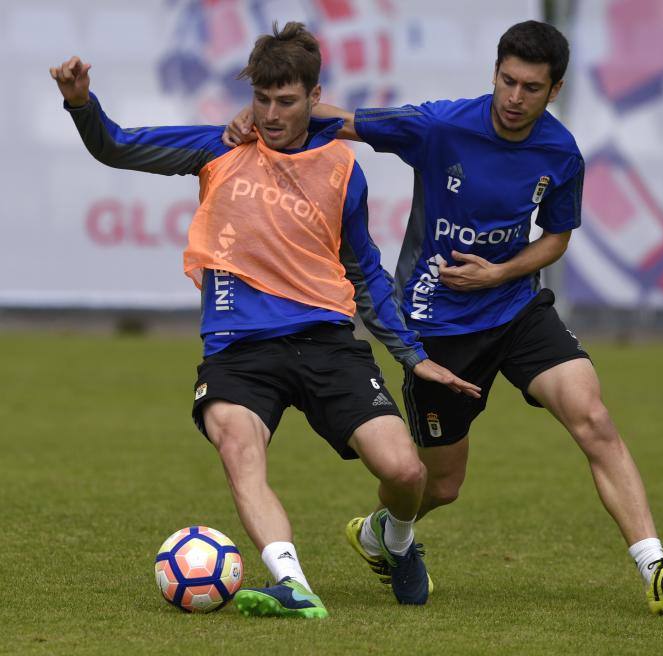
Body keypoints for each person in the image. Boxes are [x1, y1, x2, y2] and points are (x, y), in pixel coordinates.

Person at [224, 20, 663, 615]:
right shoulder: (441, 126)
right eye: (507, 81)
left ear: (554, 90)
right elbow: (338, 118)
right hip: (437, 326)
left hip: (516, 310)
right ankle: (386, 532)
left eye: (531, 88)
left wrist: (500, 273)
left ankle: (654, 568)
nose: (514, 98)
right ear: (494, 74)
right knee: (443, 485)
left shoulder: (560, 153)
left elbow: (556, 237)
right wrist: (254, 122)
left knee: (594, 417)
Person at [50, 21, 481, 618]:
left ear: (313, 97)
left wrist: (414, 356)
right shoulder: (220, 147)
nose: (272, 113)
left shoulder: (340, 169)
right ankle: (292, 583)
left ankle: (396, 541)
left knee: (406, 471)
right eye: (262, 99)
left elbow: (366, 274)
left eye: (286, 101)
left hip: (327, 340)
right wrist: (80, 103)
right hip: (239, 348)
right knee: (237, 445)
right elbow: (117, 146)